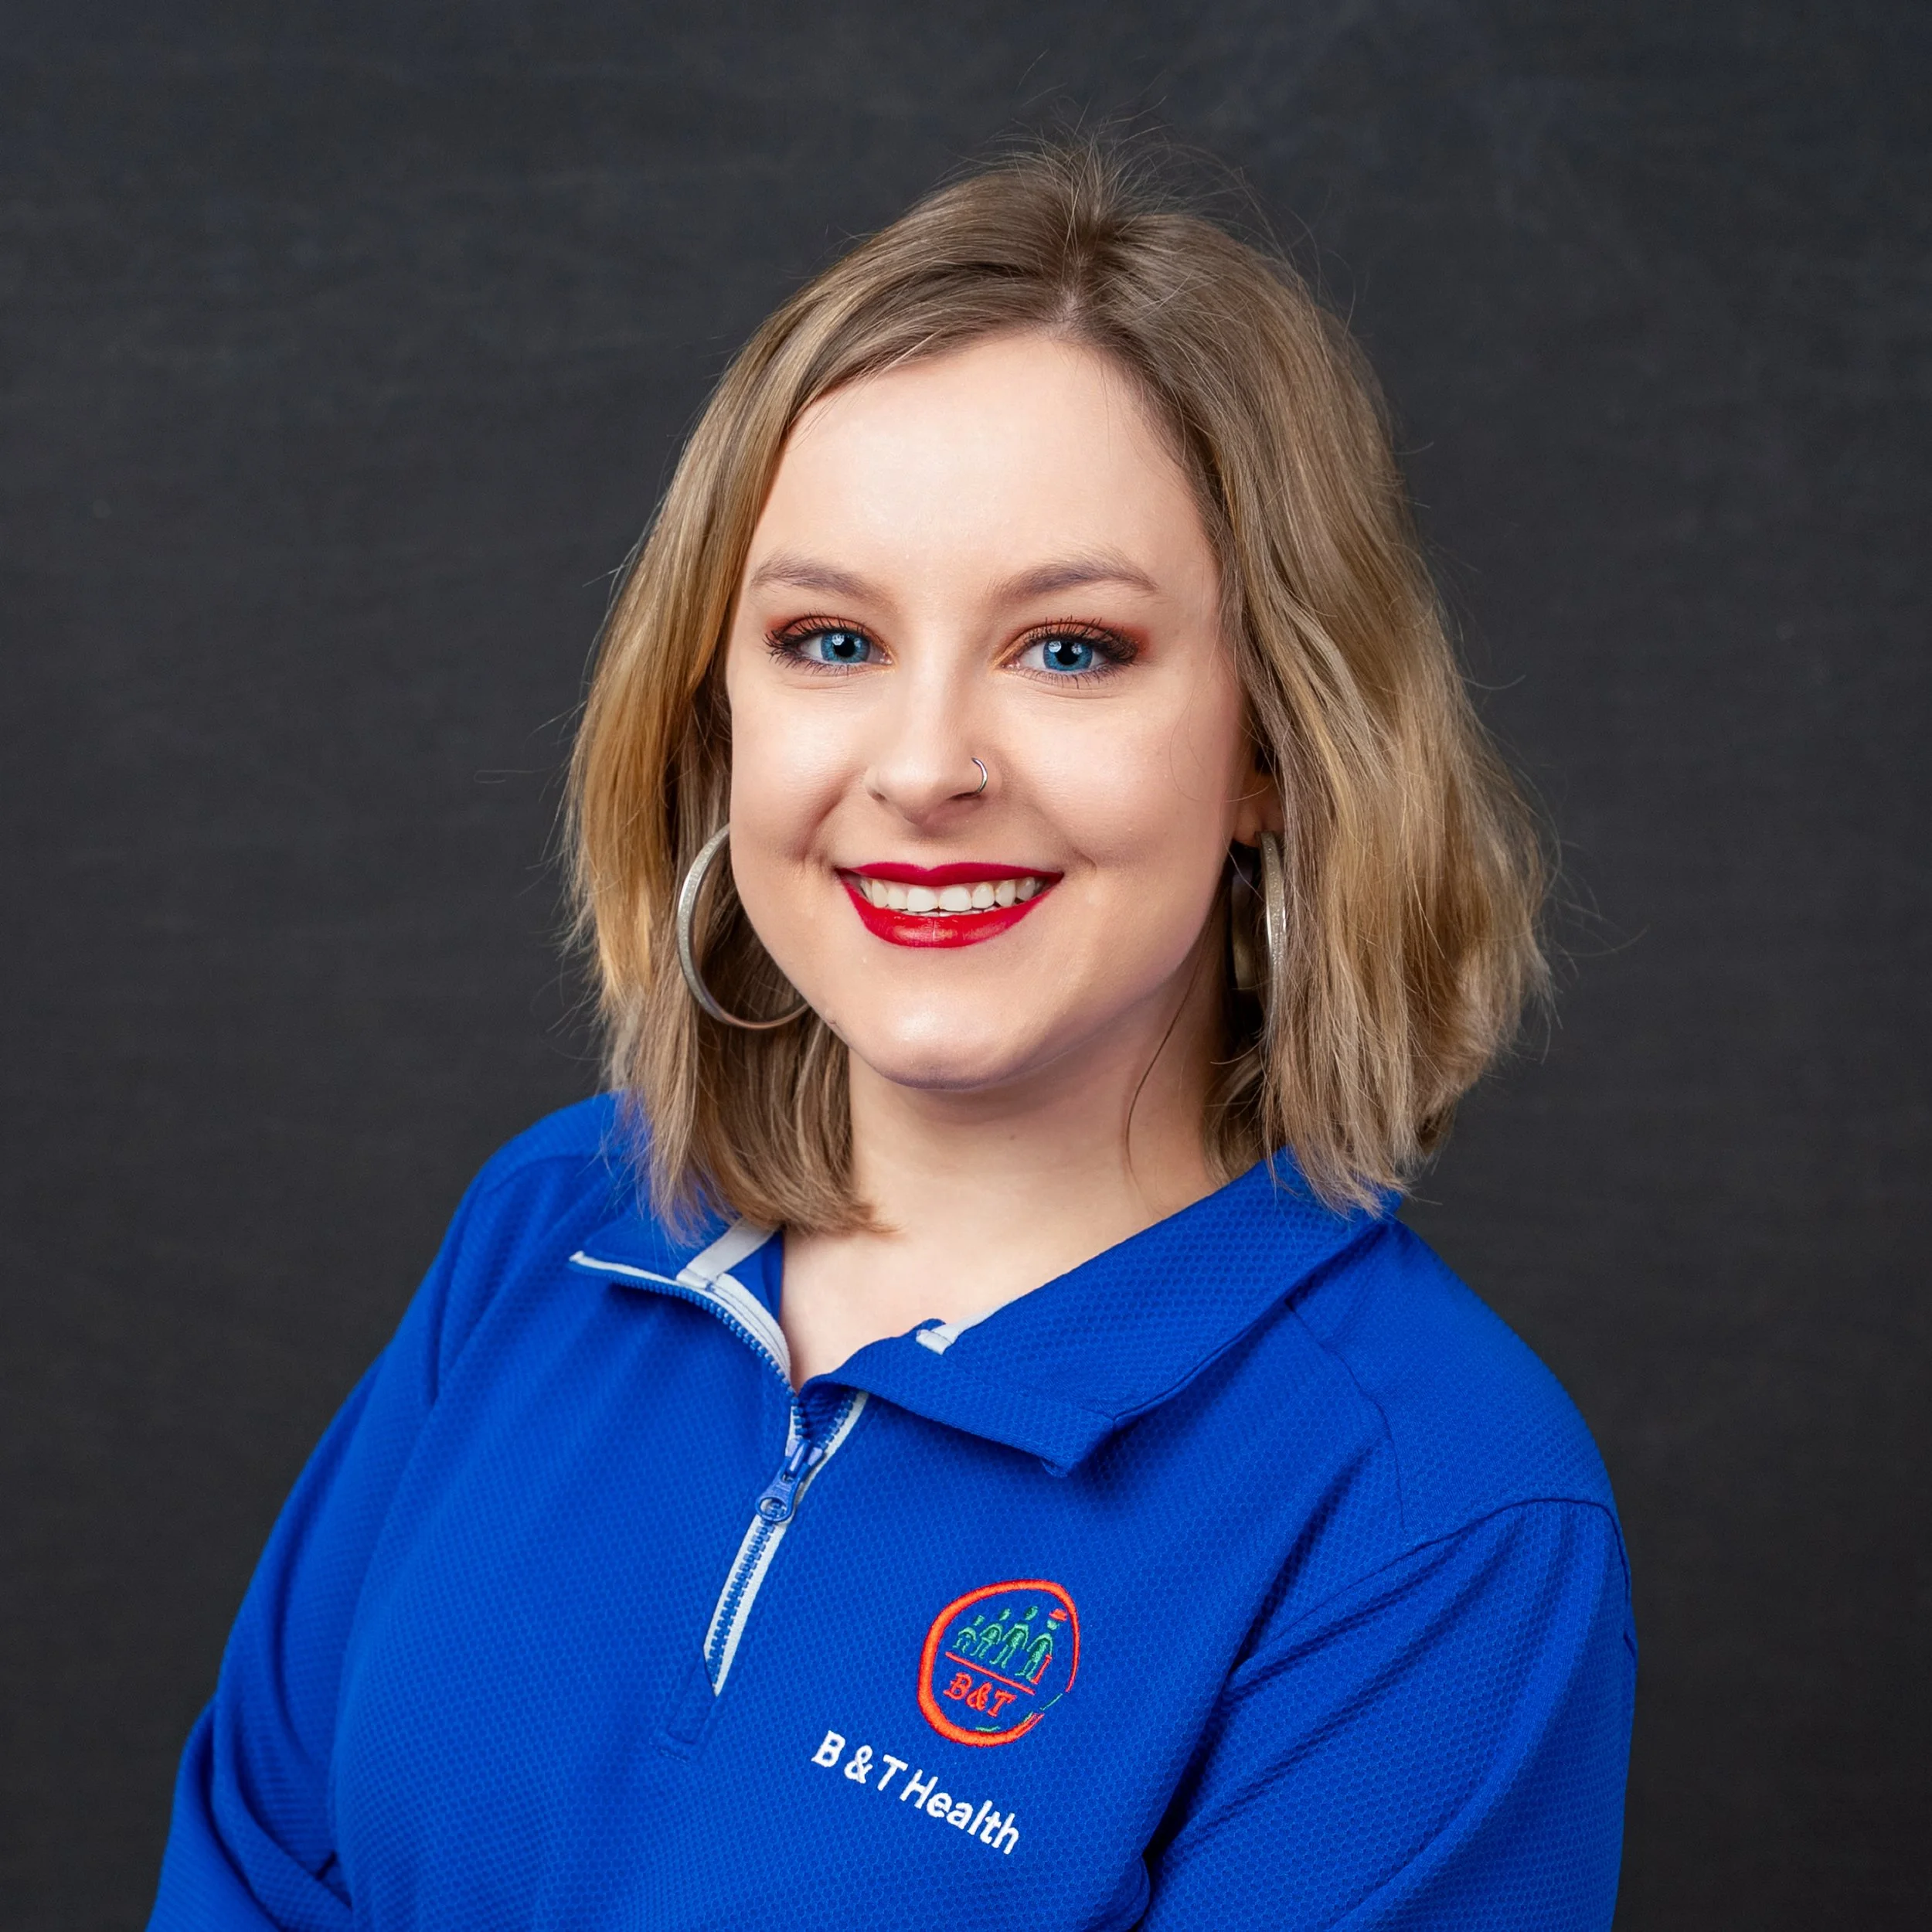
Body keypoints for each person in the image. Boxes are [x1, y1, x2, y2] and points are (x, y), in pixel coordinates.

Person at [148, 141, 1634, 1931]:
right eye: (829, 638)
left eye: (1070, 649)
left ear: (1271, 742)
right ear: (712, 706)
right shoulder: (549, 1231)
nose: (923, 766)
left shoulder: (1434, 1517)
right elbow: (248, 1867)